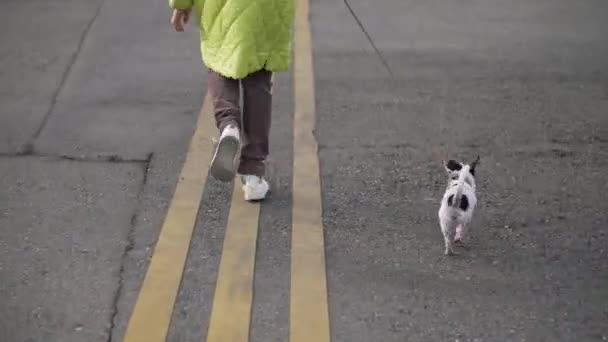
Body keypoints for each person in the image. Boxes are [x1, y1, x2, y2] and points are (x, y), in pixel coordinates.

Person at [169, 0, 294, 201]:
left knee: (220, 67)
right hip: (267, 9)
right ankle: (253, 174)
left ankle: (229, 125)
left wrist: (181, 4)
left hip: (219, 9)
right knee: (258, 81)